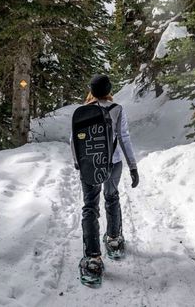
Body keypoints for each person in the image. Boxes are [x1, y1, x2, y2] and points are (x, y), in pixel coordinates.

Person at [71, 74, 139, 277]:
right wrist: (133, 166)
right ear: (109, 90)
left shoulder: (81, 112)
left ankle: (92, 258)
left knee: (90, 205)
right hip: (114, 162)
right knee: (112, 197)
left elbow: (74, 141)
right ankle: (114, 239)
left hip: (90, 164)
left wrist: (78, 164)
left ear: (91, 91)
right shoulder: (117, 109)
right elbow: (124, 137)